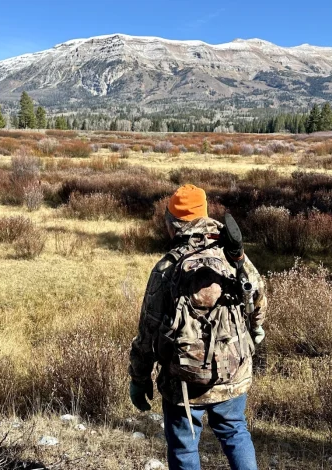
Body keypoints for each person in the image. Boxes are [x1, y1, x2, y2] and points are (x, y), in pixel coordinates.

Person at [128, 184, 267, 470]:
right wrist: (255, 330)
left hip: (182, 379)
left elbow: (148, 331)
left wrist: (139, 378)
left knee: (184, 445)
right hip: (232, 371)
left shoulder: (166, 268)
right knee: (235, 432)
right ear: (204, 215)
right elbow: (257, 293)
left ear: (172, 224)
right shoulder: (232, 255)